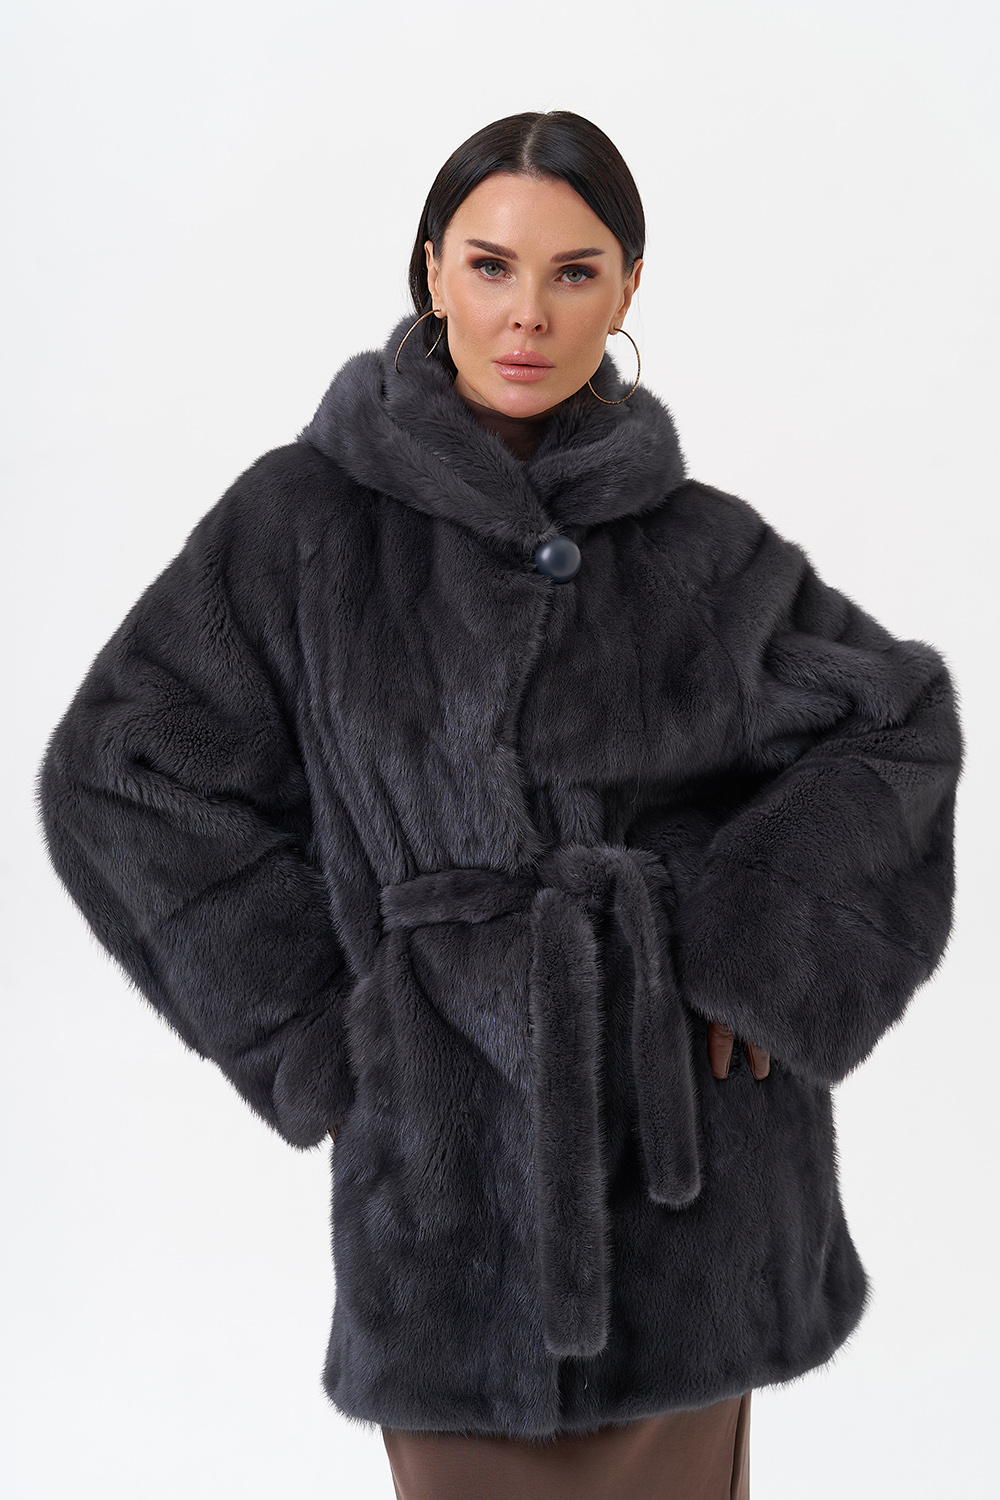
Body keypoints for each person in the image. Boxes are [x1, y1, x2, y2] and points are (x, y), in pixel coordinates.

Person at [35, 110, 963, 1500]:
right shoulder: (301, 527)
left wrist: (757, 958)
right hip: (447, 1201)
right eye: (490, 265)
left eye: (575, 272)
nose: (528, 313)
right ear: (431, 270)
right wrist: (324, 1030)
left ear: (628, 288)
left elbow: (894, 723)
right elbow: (122, 770)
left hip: (692, 1207)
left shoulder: (703, 550)